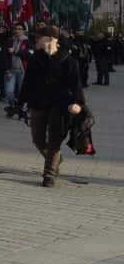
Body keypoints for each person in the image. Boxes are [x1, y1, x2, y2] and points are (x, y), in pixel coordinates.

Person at [20, 28, 85, 187]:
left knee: (54, 140)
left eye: (39, 38)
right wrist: (20, 101)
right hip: (38, 104)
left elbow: (76, 85)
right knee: (38, 139)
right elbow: (27, 81)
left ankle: (49, 174)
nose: (36, 41)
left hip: (60, 105)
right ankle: (56, 159)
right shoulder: (35, 58)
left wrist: (78, 103)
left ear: (50, 39)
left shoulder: (68, 60)